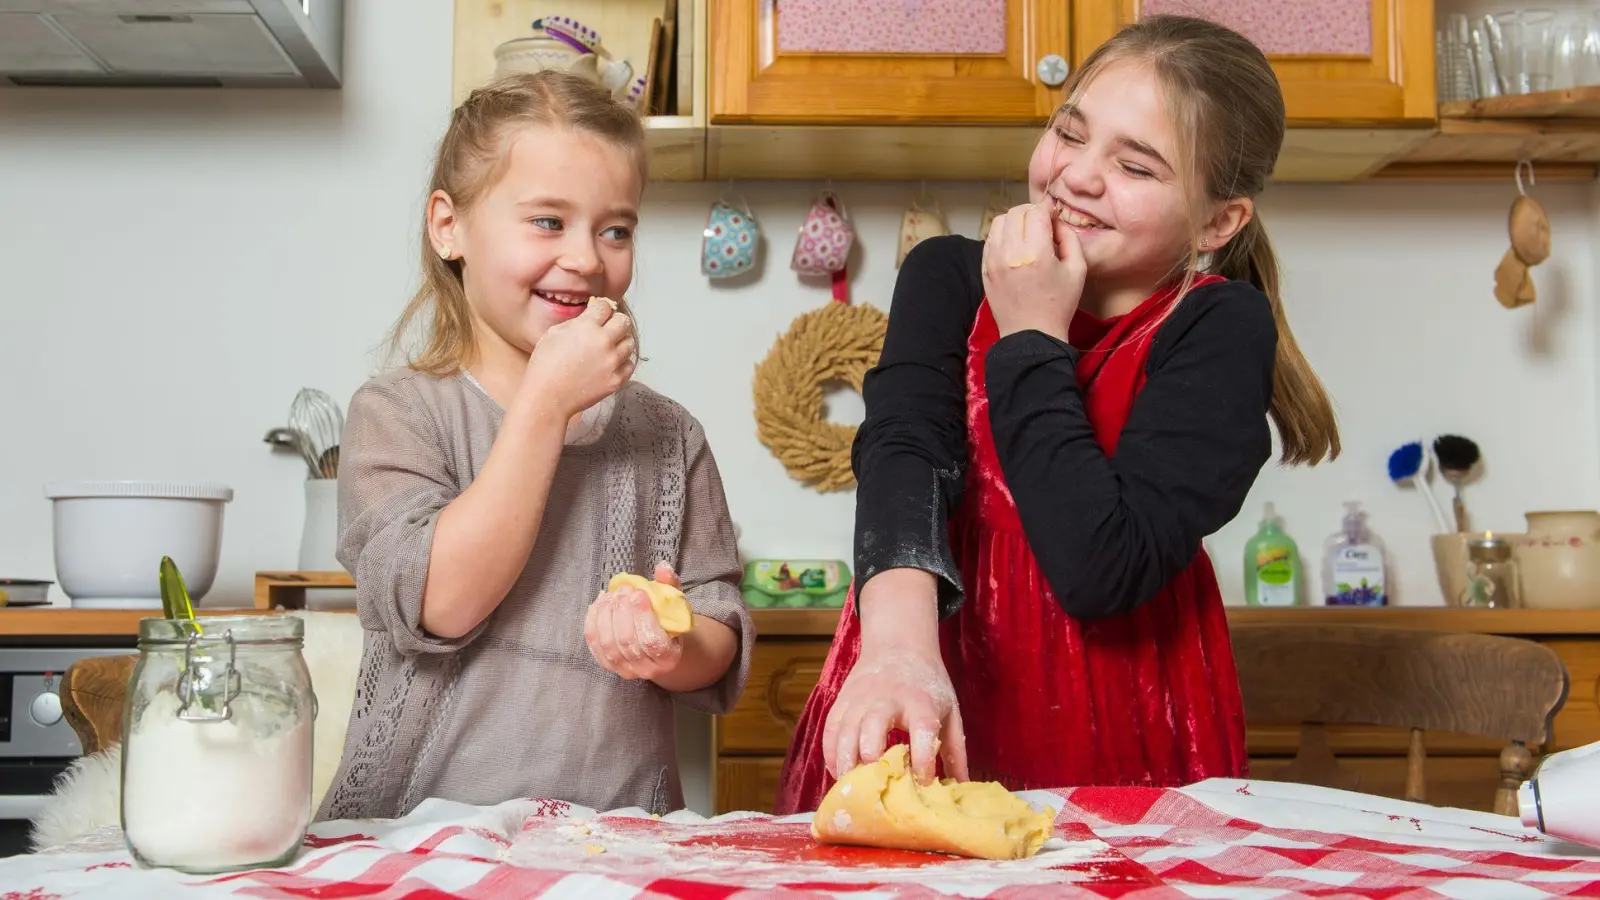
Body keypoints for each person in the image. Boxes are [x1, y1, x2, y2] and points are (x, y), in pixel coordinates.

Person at [775, 15, 1341, 814]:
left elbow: (1099, 568)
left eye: (1135, 166)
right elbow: (904, 452)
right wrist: (900, 653)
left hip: (1122, 722)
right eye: (1069, 133)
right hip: (926, 674)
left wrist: (1032, 333)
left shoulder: (1217, 329)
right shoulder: (947, 276)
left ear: (1219, 222)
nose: (1076, 176)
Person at [317, 70, 753, 822]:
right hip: (420, 836)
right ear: (448, 227)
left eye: (615, 228)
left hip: (619, 838)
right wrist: (546, 404)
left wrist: (672, 647)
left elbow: (720, 630)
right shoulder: (396, 413)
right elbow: (443, 602)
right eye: (548, 222)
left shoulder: (670, 438)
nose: (587, 258)